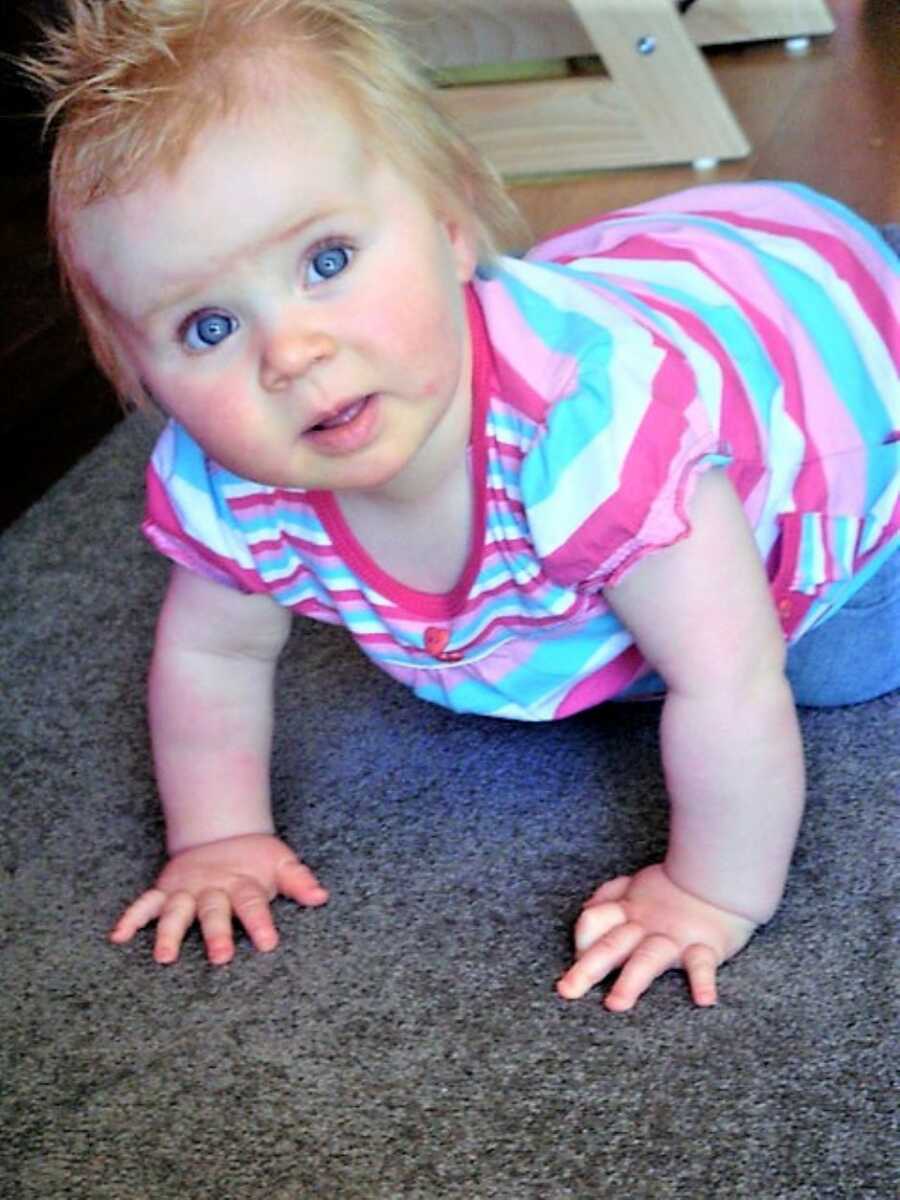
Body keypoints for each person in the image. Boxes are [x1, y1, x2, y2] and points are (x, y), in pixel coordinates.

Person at [22, 0, 899, 1012]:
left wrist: (711, 892)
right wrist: (217, 838)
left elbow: (733, 682)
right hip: (647, 338)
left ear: (450, 232)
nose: (291, 353)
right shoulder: (230, 482)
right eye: (209, 324)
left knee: (832, 661)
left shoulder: (596, 432)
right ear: (140, 377)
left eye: (328, 262)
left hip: (822, 376)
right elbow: (213, 654)